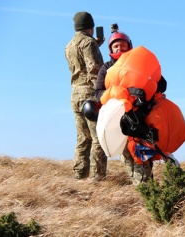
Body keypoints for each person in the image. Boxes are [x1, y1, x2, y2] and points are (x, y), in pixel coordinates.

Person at [94, 25, 154, 186]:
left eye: (123, 45)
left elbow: (158, 82)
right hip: (118, 120)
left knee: (142, 153)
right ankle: (140, 185)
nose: (119, 47)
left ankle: (146, 189)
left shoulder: (139, 64)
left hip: (140, 117)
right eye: (116, 45)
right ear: (110, 49)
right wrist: (118, 92)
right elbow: (98, 93)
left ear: (129, 46)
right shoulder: (106, 68)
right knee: (127, 155)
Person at [65, 11, 107, 181]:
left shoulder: (68, 45)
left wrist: (95, 46)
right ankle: (98, 177)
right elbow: (94, 70)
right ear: (91, 26)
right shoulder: (89, 43)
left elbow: (79, 67)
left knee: (82, 138)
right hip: (90, 96)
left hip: (75, 95)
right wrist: (101, 94)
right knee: (98, 137)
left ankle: (80, 174)